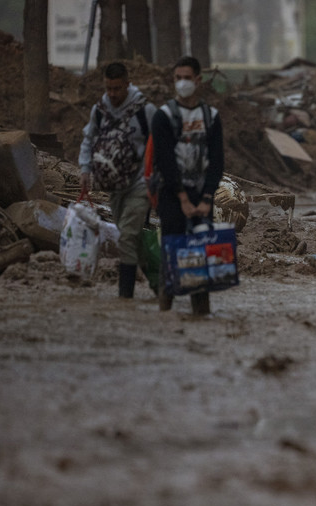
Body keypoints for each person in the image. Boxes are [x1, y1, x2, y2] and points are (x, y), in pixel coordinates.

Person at [150, 56, 225, 315]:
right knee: (171, 246)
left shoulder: (211, 117)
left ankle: (200, 310)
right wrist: (182, 198)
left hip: (202, 192)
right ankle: (165, 304)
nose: (182, 83)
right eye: (177, 78)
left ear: (198, 80)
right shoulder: (164, 116)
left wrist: (206, 198)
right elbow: (165, 160)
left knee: (201, 249)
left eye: (186, 78)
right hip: (171, 194)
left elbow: (217, 161)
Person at [78, 61, 158, 298]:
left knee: (126, 236)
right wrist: (85, 169)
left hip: (140, 184)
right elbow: (88, 139)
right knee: (132, 238)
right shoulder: (100, 110)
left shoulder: (145, 110)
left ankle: (125, 296)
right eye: (108, 88)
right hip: (114, 187)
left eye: (117, 89)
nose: (112, 94)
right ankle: (160, 279)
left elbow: (162, 143)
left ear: (127, 84)